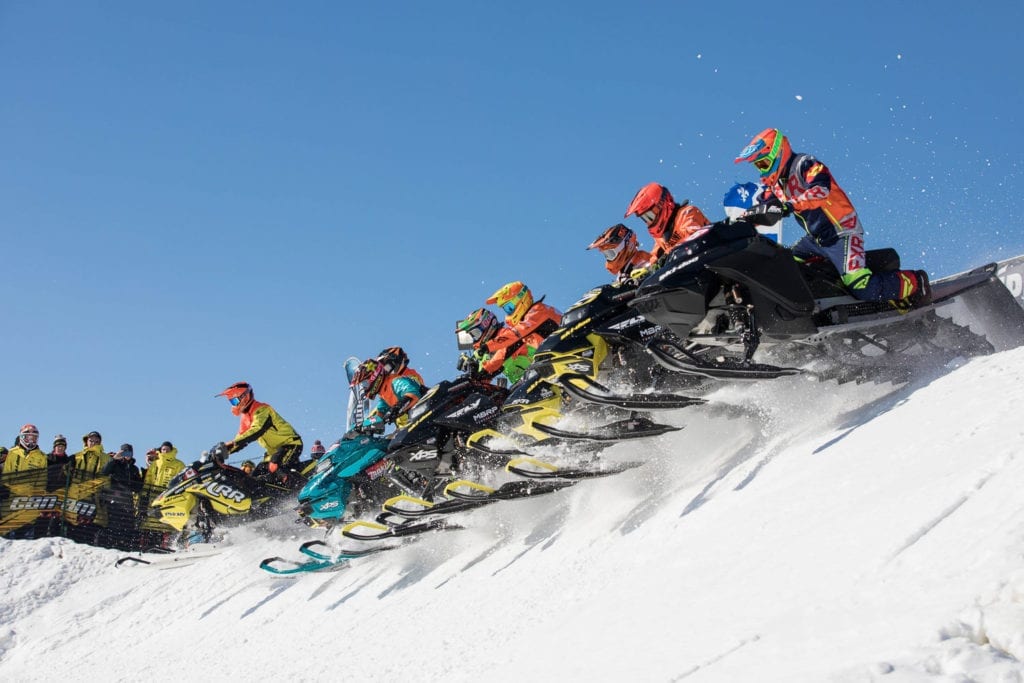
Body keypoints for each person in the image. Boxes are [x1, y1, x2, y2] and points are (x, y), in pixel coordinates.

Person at [735, 128, 931, 307]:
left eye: (764, 163)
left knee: (861, 285)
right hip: (816, 239)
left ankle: (915, 283)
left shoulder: (805, 164)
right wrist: (742, 221)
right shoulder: (777, 184)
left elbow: (820, 190)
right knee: (785, 265)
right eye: (758, 166)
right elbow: (763, 204)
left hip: (841, 232)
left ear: (779, 153)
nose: (762, 170)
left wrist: (789, 205)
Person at [478, 281, 562, 384]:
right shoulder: (532, 319)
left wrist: (487, 346)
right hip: (556, 358)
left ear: (522, 300)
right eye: (506, 310)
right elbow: (508, 348)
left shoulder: (537, 312)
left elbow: (514, 335)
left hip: (563, 353)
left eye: (509, 308)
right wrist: (487, 371)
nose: (508, 313)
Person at [216, 382, 304, 479]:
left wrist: (233, 443)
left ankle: (297, 489)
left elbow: (257, 430)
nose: (234, 405)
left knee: (274, 466)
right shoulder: (245, 417)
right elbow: (241, 438)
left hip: (290, 444)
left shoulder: (262, 409)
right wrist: (224, 451)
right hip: (273, 452)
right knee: (255, 475)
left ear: (244, 397)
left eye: (234, 401)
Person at [624, 182, 712, 262]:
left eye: (649, 216)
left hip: (711, 259)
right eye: (645, 219)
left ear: (661, 205)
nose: (648, 222)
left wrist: (667, 255)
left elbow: (695, 238)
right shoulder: (660, 238)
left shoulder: (687, 213)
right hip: (691, 272)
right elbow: (654, 258)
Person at [351, 347, 426, 432]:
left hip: (418, 420)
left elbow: (413, 393)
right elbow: (379, 411)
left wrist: (397, 408)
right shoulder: (385, 389)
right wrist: (363, 425)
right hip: (404, 428)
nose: (385, 368)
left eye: (386, 365)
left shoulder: (403, 379)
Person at [586, 223, 653, 282]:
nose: (609, 258)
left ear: (626, 245)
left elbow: (655, 266)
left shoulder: (643, 259)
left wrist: (645, 273)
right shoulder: (622, 272)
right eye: (606, 255)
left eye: (610, 253)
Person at [455, 307, 503, 379]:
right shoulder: (482, 352)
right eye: (472, 335)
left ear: (486, 324)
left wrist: (482, 372)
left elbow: (498, 359)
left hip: (523, 380)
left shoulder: (504, 336)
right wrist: (470, 366)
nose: (475, 337)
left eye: (476, 333)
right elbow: (483, 380)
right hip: (514, 386)